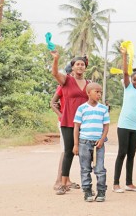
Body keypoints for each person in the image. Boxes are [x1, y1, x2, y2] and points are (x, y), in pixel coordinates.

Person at [50, 51, 90, 195]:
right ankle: (62, 182)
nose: (80, 66)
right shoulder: (66, 80)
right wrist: (56, 59)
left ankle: (87, 183)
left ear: (85, 67)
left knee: (85, 152)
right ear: (72, 67)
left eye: (82, 64)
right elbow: (54, 73)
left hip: (85, 122)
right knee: (68, 151)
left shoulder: (89, 84)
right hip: (68, 122)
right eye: (77, 64)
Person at [113, 47, 136, 193]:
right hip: (123, 125)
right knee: (122, 153)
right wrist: (124, 56)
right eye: (134, 79)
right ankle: (116, 183)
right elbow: (126, 72)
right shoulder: (128, 88)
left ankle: (129, 183)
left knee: (132, 154)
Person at [73, 82, 110, 202]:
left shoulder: (103, 109)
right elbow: (76, 127)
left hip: (98, 144)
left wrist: (102, 139)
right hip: (84, 142)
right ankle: (87, 191)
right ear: (88, 93)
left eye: (100, 92)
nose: (99, 94)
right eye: (96, 91)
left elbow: (106, 126)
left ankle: (101, 191)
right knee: (85, 168)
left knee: (100, 168)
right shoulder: (81, 108)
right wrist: (76, 144)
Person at [50, 63, 80, 191]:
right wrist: (62, 116)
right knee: (66, 151)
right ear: (69, 74)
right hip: (65, 122)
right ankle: (59, 180)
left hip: (76, 122)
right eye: (71, 74)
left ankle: (67, 180)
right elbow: (52, 103)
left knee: (70, 151)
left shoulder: (78, 85)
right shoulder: (63, 85)